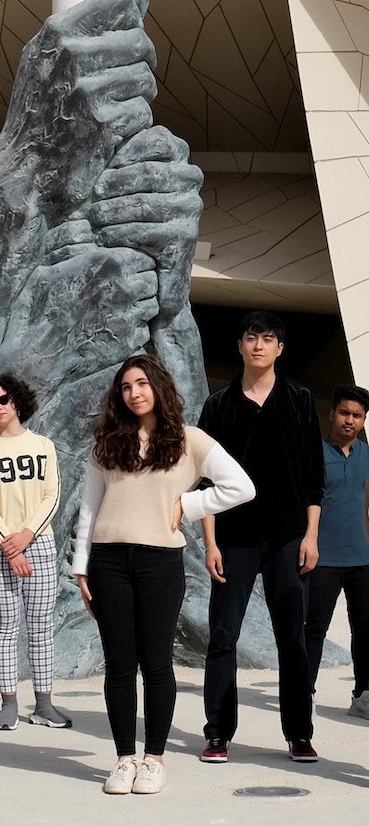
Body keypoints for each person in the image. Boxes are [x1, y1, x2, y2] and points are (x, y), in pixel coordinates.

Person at [72, 353, 255, 795]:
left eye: (140, 384)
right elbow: (89, 508)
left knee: (156, 664)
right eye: (125, 387)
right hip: (109, 562)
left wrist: (189, 507)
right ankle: (123, 760)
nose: (133, 394)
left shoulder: (189, 440)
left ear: (157, 386)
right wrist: (81, 567)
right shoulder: (108, 441)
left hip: (160, 563)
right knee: (119, 666)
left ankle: (153, 759)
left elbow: (242, 487)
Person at [198, 311, 325, 763]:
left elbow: (313, 476)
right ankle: (218, 733)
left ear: (280, 349)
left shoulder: (300, 399)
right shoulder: (218, 405)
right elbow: (205, 483)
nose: (258, 345)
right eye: (251, 337)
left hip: (289, 537)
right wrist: (210, 543)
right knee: (223, 635)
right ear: (240, 345)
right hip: (234, 538)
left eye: (267, 339)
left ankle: (299, 732)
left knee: (291, 637)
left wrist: (311, 535)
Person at [0, 373, 71, 732]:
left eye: (4, 400)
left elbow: (52, 495)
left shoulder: (43, 445)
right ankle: (8, 703)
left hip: (38, 543)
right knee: (5, 628)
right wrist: (10, 547)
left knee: (41, 627)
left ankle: (44, 704)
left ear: (17, 402)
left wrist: (25, 537)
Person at [305, 384, 369, 720]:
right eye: (344, 413)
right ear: (332, 414)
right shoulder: (314, 453)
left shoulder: (367, 456)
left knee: (365, 629)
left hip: (362, 558)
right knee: (315, 628)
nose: (349, 420)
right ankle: (305, 692)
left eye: (357, 415)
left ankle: (362, 695)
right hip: (322, 557)